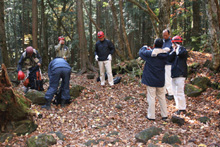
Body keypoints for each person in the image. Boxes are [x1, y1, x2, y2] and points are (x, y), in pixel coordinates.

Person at [139, 38, 169, 121]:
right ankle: (164, 115)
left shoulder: (150, 54)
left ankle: (151, 116)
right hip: (160, 79)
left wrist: (144, 47)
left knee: (151, 98)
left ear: (154, 45)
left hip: (151, 80)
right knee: (162, 97)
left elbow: (141, 53)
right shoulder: (165, 55)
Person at [168, 36, 188, 115]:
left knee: (179, 92)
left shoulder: (182, 50)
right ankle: (179, 107)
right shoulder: (174, 52)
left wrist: (177, 47)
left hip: (181, 74)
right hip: (174, 75)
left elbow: (180, 53)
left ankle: (182, 108)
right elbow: (169, 58)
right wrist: (173, 50)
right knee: (175, 92)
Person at [162, 29, 174, 100]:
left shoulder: (171, 42)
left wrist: (168, 51)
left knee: (168, 79)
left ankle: (171, 93)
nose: (165, 36)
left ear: (169, 35)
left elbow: (174, 52)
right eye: (163, 35)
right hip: (162, 63)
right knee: (162, 78)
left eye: (166, 35)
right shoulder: (162, 41)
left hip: (168, 63)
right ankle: (164, 92)